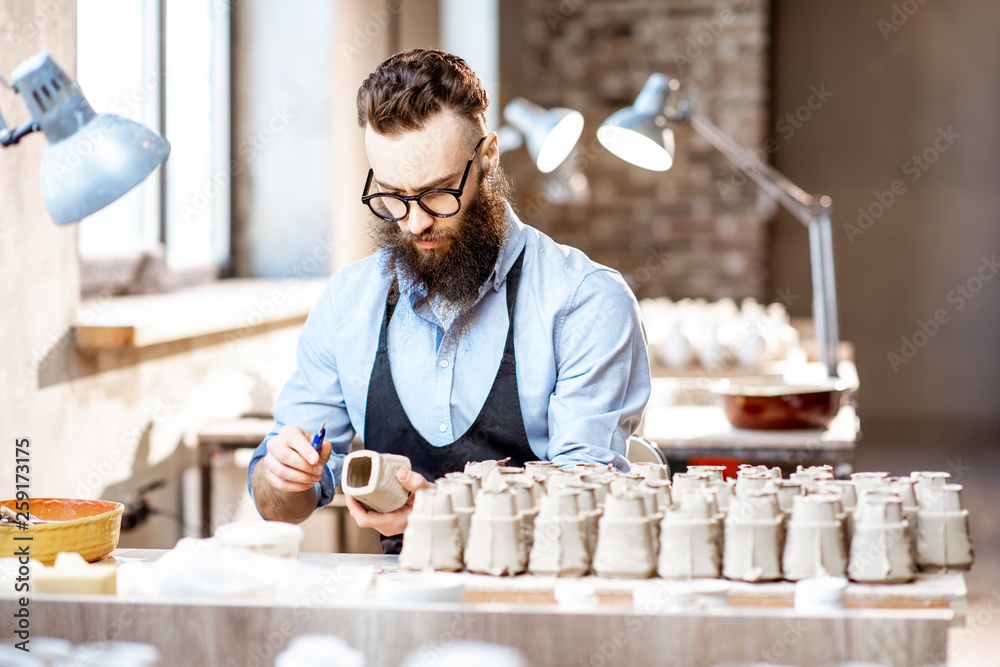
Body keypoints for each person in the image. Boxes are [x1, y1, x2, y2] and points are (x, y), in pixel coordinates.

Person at [248, 48, 650, 553]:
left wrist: (440, 514)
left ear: (488, 159)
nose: (414, 222)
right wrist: (284, 476)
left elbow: (590, 505)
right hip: (402, 598)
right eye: (392, 195)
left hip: (543, 600)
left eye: (438, 193)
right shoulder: (349, 302)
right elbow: (277, 505)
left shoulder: (584, 301)